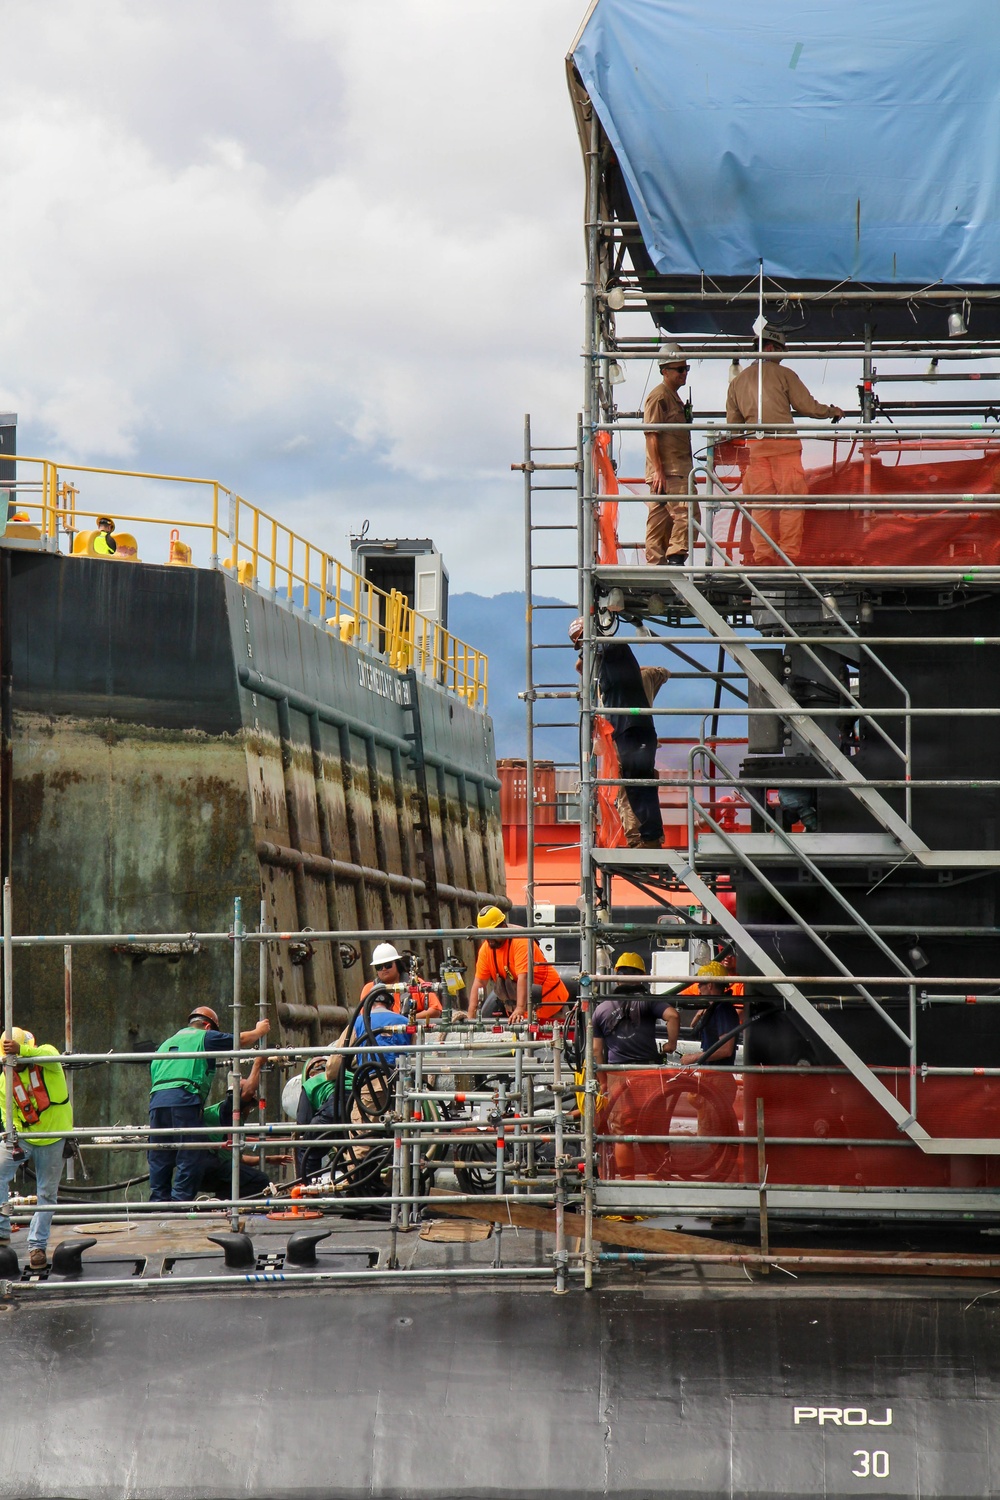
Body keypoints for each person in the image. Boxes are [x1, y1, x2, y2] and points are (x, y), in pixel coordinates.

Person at [726, 324, 844, 565]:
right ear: (770, 347)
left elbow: (734, 429)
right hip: (785, 449)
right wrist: (832, 411)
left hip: (756, 453)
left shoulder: (737, 383)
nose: (782, 356)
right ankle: (789, 556)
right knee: (791, 503)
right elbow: (807, 407)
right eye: (780, 350)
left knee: (761, 508)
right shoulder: (784, 374)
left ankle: (764, 558)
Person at [148, 1004, 270, 1204]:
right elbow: (240, 1040)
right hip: (185, 1098)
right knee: (190, 1152)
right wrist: (259, 1031)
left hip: (157, 1101)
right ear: (206, 1026)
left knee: (160, 1153)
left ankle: (158, 1204)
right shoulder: (203, 1036)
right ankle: (179, 1204)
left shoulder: (165, 1044)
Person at [571, 616, 663, 848]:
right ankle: (647, 837)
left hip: (633, 728)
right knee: (635, 784)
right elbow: (583, 664)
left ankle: (649, 838)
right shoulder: (605, 659)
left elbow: (581, 663)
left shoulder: (611, 646)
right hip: (626, 729)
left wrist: (588, 644)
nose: (583, 647)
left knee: (639, 783)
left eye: (583, 641)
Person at [0, 1027, 73, 1270]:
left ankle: (37, 1247)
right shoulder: (5, 1078)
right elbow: (6, 1110)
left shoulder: (47, 1060)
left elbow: (48, 1053)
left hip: (53, 1137)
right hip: (25, 1137)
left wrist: (23, 1051)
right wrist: (15, 1136)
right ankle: (2, 1230)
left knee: (47, 1194)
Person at [643, 344, 697, 565]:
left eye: (686, 369)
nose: (683, 373)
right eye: (679, 369)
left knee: (661, 521)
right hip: (670, 471)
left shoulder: (671, 397)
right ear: (665, 371)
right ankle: (674, 558)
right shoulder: (659, 397)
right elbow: (651, 435)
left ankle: (656, 567)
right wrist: (659, 471)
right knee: (686, 514)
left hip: (670, 470)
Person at [467, 905, 569, 1022]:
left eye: (491, 933)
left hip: (550, 1007)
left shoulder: (520, 942)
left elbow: (524, 977)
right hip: (521, 1014)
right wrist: (471, 1015)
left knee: (557, 1039)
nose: (488, 938)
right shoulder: (486, 949)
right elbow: (479, 981)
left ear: (503, 927)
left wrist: (520, 1008)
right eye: (484, 934)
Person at [199, 1057, 271, 1201]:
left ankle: (218, 1202)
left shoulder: (235, 1122)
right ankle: (223, 1202)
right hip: (208, 1168)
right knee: (261, 1181)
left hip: (209, 1171)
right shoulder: (227, 1110)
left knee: (244, 1178)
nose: (249, 1109)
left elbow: (239, 1159)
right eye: (250, 1105)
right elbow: (249, 1092)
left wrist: (269, 1159)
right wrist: (257, 1064)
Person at [592, 953, 679, 1067]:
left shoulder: (601, 1009)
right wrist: (671, 1045)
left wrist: (603, 1082)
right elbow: (673, 1016)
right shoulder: (649, 1001)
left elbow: (596, 1050)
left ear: (617, 979)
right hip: (646, 1071)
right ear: (641, 978)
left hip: (616, 1072)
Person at [683, 962, 742, 1077]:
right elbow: (694, 1028)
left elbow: (726, 1049)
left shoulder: (723, 1010)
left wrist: (694, 1057)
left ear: (709, 985)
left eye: (700, 984)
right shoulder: (714, 1008)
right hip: (711, 1076)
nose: (698, 987)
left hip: (718, 1078)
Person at [360, 942, 442, 1022]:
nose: (384, 969)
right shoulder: (369, 989)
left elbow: (436, 1010)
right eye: (379, 967)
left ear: (397, 964)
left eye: (388, 965)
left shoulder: (416, 983)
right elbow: (364, 1019)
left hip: (411, 1033)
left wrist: (407, 1020)